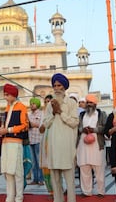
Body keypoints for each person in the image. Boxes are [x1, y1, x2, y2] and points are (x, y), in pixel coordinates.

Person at [42, 73, 79, 202]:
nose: (57, 88)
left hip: (66, 146)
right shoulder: (49, 104)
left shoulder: (71, 103)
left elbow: (74, 122)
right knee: (55, 180)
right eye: (55, 86)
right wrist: (53, 112)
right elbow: (45, 123)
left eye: (59, 85)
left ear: (64, 87)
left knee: (69, 181)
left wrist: (60, 112)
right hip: (53, 146)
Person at [0, 83, 29, 202]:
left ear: (13, 95)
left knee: (17, 171)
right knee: (7, 170)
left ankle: (19, 197)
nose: (5, 97)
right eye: (4, 95)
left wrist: (8, 130)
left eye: (7, 95)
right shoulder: (7, 107)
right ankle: (9, 196)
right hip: (5, 142)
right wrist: (1, 130)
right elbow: (5, 123)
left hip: (16, 142)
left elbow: (25, 125)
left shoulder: (21, 107)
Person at [76, 94, 107, 198]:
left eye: (91, 103)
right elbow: (78, 129)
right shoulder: (81, 115)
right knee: (84, 168)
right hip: (83, 146)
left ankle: (100, 191)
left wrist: (94, 130)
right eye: (87, 102)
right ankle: (86, 191)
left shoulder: (101, 114)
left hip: (97, 145)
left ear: (95, 104)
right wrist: (83, 130)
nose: (89, 105)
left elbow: (105, 129)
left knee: (99, 169)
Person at [39, 94, 54, 198]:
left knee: (54, 169)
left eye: (49, 101)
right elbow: (40, 130)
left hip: (53, 143)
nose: (47, 103)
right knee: (46, 169)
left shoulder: (55, 115)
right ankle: (51, 192)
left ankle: (58, 191)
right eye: (45, 102)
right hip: (44, 142)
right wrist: (43, 126)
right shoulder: (43, 114)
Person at [28, 97, 44, 185]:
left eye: (33, 103)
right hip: (30, 139)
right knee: (33, 161)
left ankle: (41, 179)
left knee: (39, 160)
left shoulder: (42, 114)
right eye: (31, 104)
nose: (31, 105)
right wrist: (33, 125)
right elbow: (28, 125)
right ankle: (35, 179)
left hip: (38, 139)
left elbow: (41, 125)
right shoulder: (28, 114)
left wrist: (34, 124)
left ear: (37, 104)